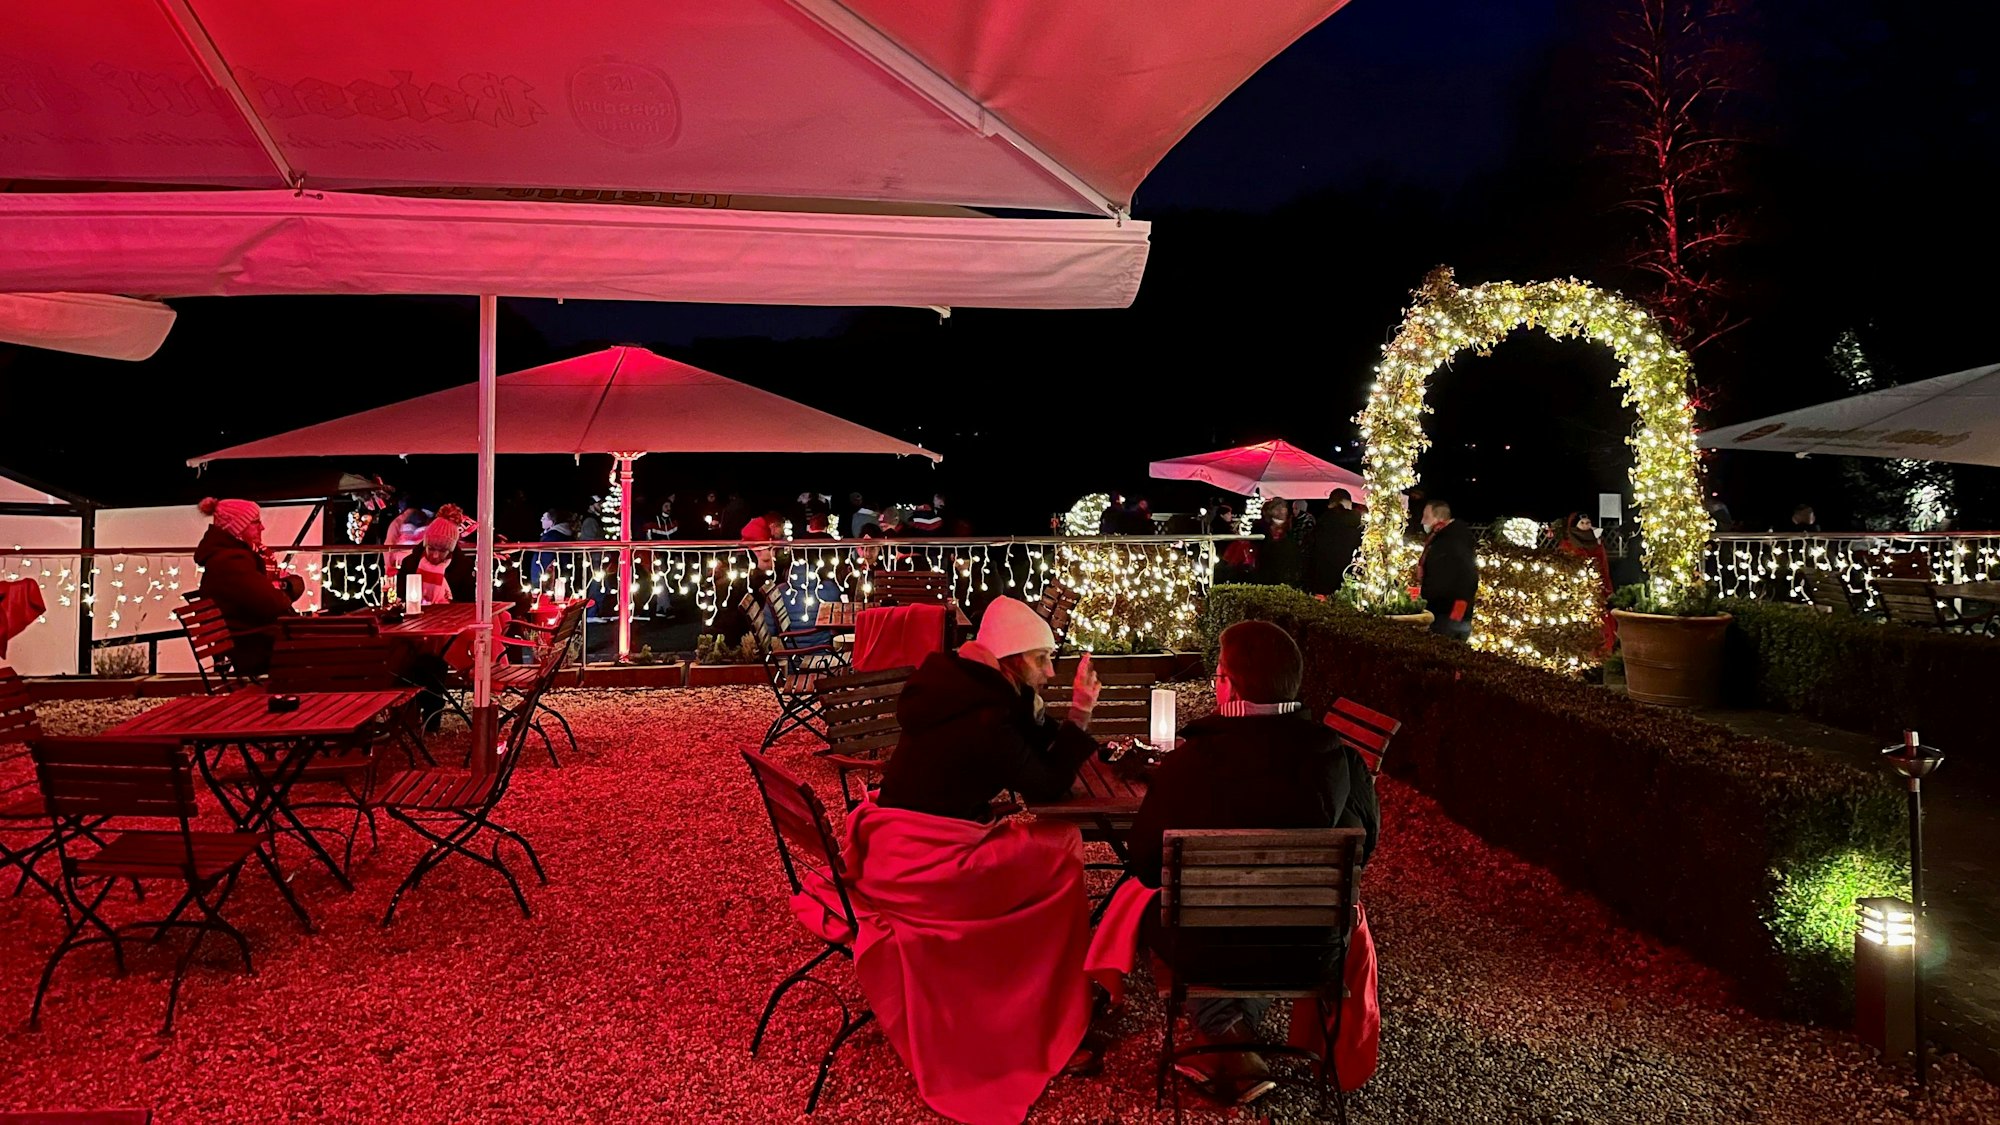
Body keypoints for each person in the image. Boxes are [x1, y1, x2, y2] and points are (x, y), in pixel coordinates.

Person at [1126, 620, 1379, 1106]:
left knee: (1152, 910)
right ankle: (1233, 1038)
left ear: (1227, 684)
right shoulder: (1340, 761)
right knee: (1259, 926)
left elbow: (1141, 863)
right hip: (1308, 948)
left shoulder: (1186, 766)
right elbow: (1363, 851)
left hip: (1204, 950)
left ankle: (1227, 1039)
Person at [878, 596, 1102, 821]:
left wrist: (1032, 708)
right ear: (1010, 661)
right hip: (924, 838)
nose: (1050, 671)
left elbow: (1039, 745)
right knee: (1066, 841)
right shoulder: (983, 714)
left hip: (909, 821)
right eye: (1040, 658)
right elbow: (1047, 786)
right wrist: (1081, 711)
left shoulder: (971, 686)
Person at [193, 497, 305, 677]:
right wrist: (285, 589)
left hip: (256, 640)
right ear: (237, 528)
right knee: (329, 645)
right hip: (257, 647)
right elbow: (274, 604)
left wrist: (281, 588)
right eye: (255, 522)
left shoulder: (234, 558)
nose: (262, 528)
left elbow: (271, 598)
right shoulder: (231, 563)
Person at [1557, 512, 1615, 657]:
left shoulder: (1597, 544)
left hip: (1597, 590)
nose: (1585, 526)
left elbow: (1604, 568)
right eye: (1582, 523)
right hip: (1577, 592)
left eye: (1588, 523)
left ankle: (1602, 654)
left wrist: (1606, 589)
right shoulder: (1567, 545)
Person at [1418, 500, 1478, 640]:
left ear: (1439, 519)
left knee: (1444, 644)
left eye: (1426, 517)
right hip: (1455, 608)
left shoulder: (1450, 542)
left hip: (1448, 610)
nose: (1422, 522)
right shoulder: (1449, 538)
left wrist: (1426, 596)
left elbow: (1452, 578)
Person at [399, 504, 477, 605]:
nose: (435, 555)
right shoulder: (410, 563)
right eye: (431, 549)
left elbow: (467, 604)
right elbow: (400, 598)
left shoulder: (463, 568)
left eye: (442, 551)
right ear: (425, 545)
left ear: (451, 550)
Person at [1309, 489, 1364, 594]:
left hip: (1321, 581)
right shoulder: (1357, 524)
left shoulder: (1322, 522)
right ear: (1348, 502)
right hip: (1349, 581)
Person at [1252, 500, 1304, 588]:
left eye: (1283, 508)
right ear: (1271, 511)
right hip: (1268, 569)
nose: (1281, 510)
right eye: (1277, 508)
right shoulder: (1261, 526)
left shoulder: (1295, 524)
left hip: (1289, 569)